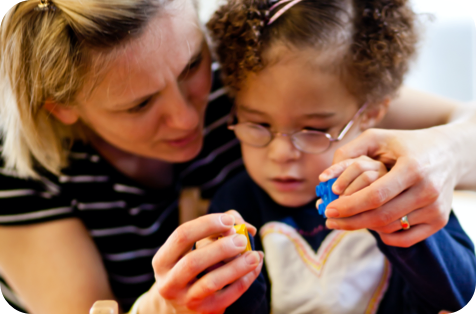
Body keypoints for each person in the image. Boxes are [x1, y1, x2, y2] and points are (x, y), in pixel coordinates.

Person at [0, 0, 475, 314]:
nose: (190, 119)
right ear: (61, 106)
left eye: (191, 66)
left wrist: (443, 153)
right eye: (139, 104)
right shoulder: (24, 184)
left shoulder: (256, 83)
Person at [206, 0, 476, 313]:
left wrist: (397, 220)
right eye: (258, 124)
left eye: (313, 130)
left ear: (371, 113)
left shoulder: (402, 184)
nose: (280, 154)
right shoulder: (235, 205)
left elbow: (461, 290)